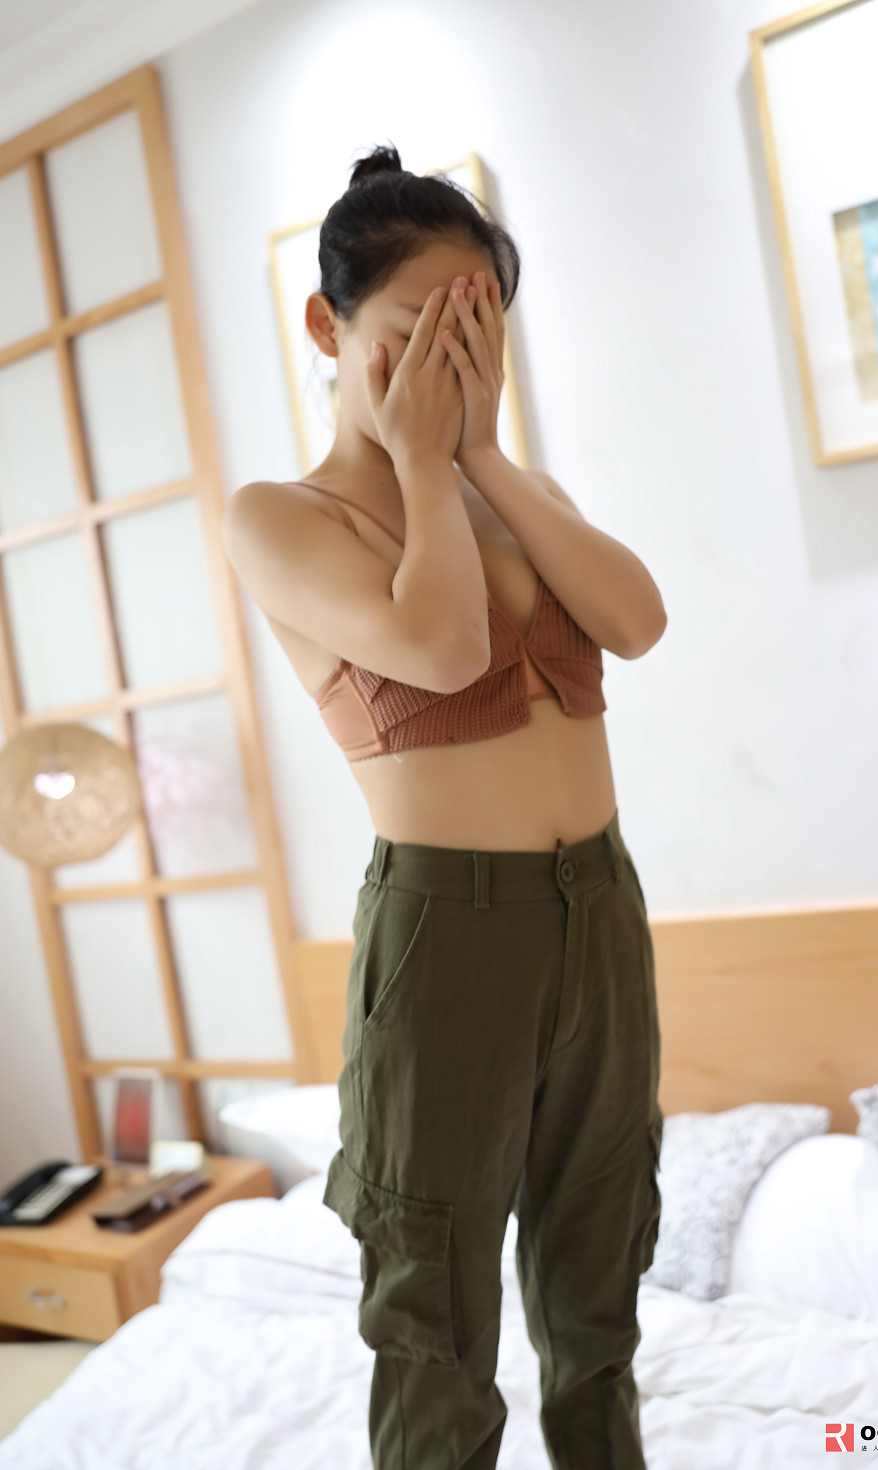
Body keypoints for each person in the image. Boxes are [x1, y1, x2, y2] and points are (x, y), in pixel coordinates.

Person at [222, 142, 668, 1470]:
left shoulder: (519, 498)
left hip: (599, 910)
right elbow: (441, 645)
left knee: (599, 1274)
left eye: (478, 333)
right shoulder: (280, 517)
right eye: (419, 331)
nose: (449, 363)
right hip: (444, 935)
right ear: (328, 326)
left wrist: (482, 456)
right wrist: (428, 469)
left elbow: (637, 621)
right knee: (433, 1315)